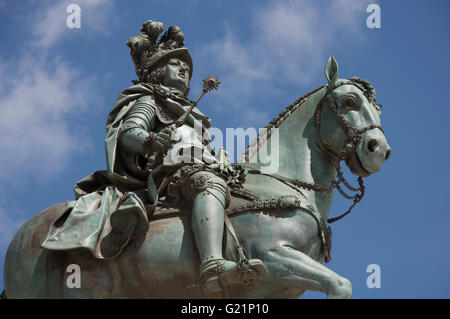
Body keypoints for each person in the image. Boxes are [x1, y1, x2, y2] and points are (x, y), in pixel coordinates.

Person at [107, 20, 264, 293]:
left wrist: (221, 160)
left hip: (199, 167)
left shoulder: (194, 117)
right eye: (175, 64)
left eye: (187, 67)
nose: (184, 69)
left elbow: (201, 150)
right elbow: (128, 133)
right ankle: (212, 264)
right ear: (157, 72)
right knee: (209, 184)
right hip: (170, 174)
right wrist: (153, 140)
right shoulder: (150, 101)